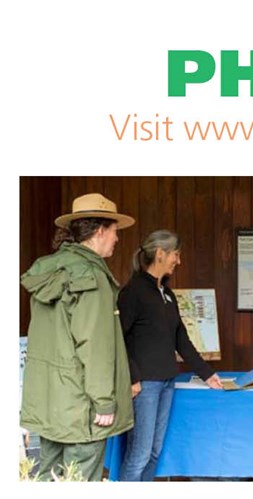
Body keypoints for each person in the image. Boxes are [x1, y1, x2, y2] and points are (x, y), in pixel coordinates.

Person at [20, 193, 136, 480]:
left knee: (47, 478)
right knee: (80, 481)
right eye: (114, 232)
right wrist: (105, 402)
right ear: (99, 232)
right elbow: (94, 345)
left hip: (51, 402)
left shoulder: (49, 269)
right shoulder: (91, 276)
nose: (117, 239)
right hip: (82, 404)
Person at [117, 230, 224, 481]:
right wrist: (132, 378)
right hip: (144, 386)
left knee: (154, 453)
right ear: (160, 254)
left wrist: (207, 374)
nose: (179, 261)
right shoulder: (133, 292)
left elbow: (181, 341)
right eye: (176, 254)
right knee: (139, 455)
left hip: (166, 382)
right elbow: (117, 338)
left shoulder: (167, 294)